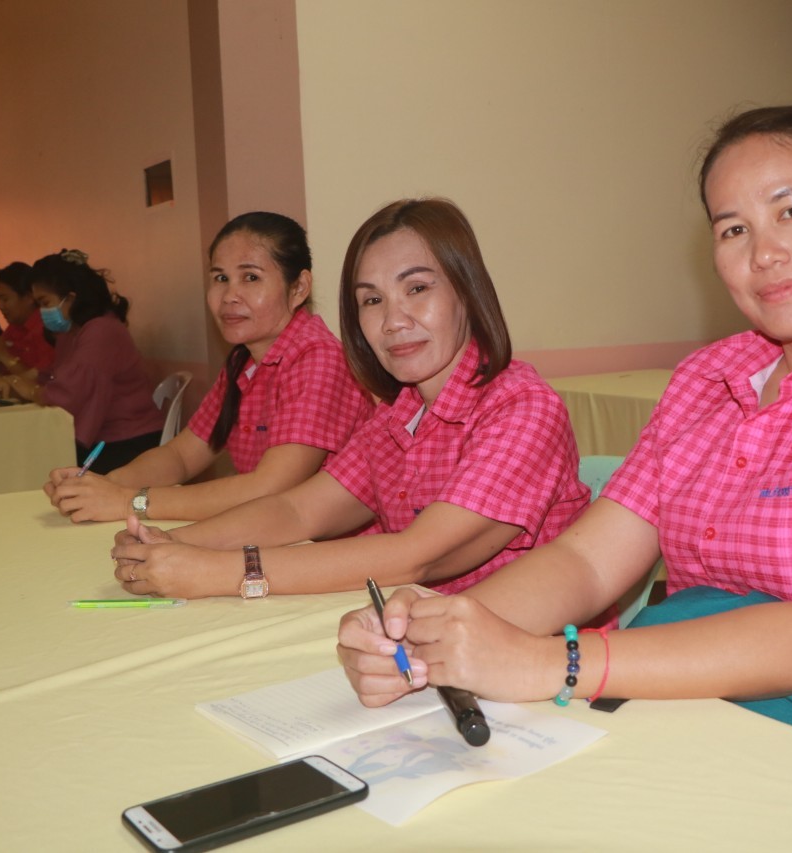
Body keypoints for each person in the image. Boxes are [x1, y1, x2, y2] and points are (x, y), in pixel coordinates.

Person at [337, 108, 792, 794]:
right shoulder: (706, 378)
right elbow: (587, 561)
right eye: (733, 229)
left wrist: (553, 663)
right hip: (697, 743)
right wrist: (434, 634)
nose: (763, 253)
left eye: (791, 212)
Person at [109, 198, 589, 599]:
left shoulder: (523, 409)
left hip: (527, 658)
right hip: (411, 634)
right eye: (372, 300)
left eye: (417, 289)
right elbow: (297, 510)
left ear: (468, 291)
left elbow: (419, 556)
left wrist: (221, 572)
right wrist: (171, 543)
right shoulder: (398, 416)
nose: (393, 321)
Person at [42, 212, 372, 523]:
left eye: (251, 277)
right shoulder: (243, 362)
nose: (229, 295)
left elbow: (271, 487)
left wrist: (130, 501)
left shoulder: (318, 359)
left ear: (298, 287)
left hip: (325, 546)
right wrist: (103, 485)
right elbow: (182, 456)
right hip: (272, 533)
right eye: (220, 278)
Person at [0, 250, 163, 473]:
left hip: (126, 441)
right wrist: (10, 382)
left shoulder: (101, 331)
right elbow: (54, 374)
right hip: (106, 438)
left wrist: (27, 388)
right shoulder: (73, 331)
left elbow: (69, 395)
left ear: (71, 298)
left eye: (45, 303)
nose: (41, 312)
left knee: (33, 465)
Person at [0, 262, 55, 376]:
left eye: (5, 299)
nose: (0, 306)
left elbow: (41, 381)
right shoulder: (14, 327)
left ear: (29, 297)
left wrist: (4, 356)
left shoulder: (47, 329)